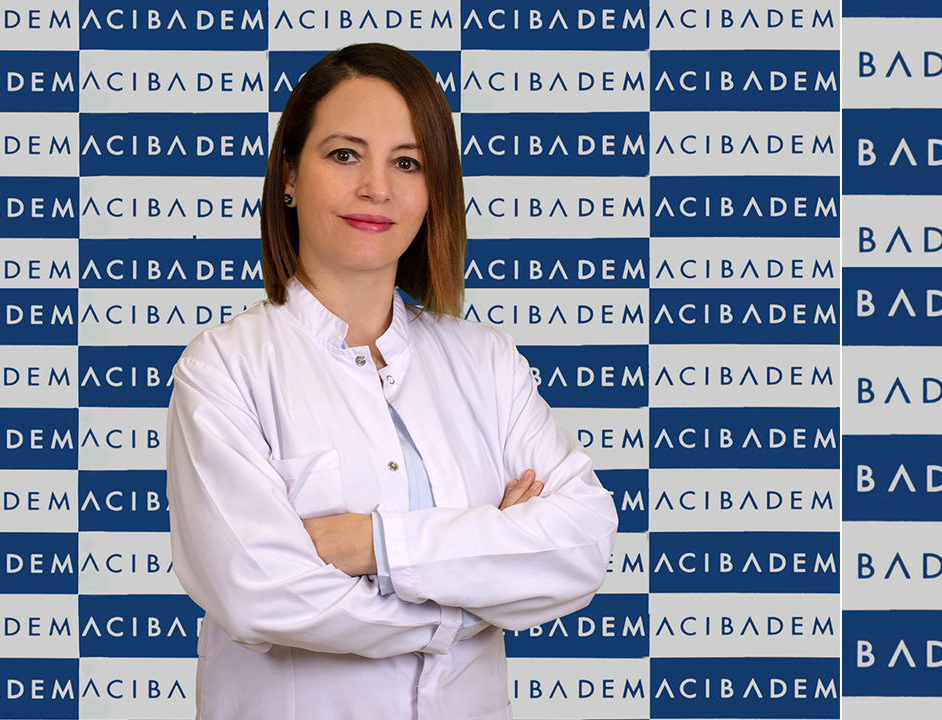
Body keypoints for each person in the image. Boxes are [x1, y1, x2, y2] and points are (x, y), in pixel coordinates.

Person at [165, 43, 619, 720]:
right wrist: (477, 585)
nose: (377, 187)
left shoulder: (486, 362)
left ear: (434, 190)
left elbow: (581, 542)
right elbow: (261, 593)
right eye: (345, 154)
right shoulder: (224, 369)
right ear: (289, 174)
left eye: (407, 162)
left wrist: (370, 544)